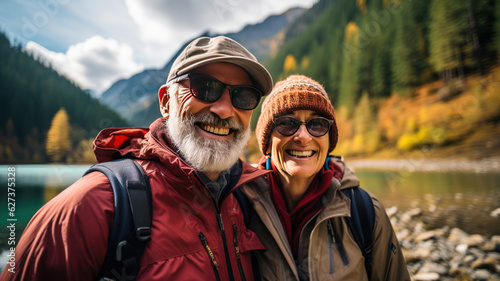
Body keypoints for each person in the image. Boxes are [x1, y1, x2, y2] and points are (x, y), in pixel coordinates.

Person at [1, 36, 273, 281]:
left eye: (244, 96)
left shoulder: (249, 200)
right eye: (205, 87)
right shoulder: (92, 205)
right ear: (166, 101)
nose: (225, 110)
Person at [241, 75, 411, 280]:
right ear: (267, 141)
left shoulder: (365, 212)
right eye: (286, 123)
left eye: (318, 124)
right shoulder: (238, 208)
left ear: (329, 141)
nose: (303, 137)